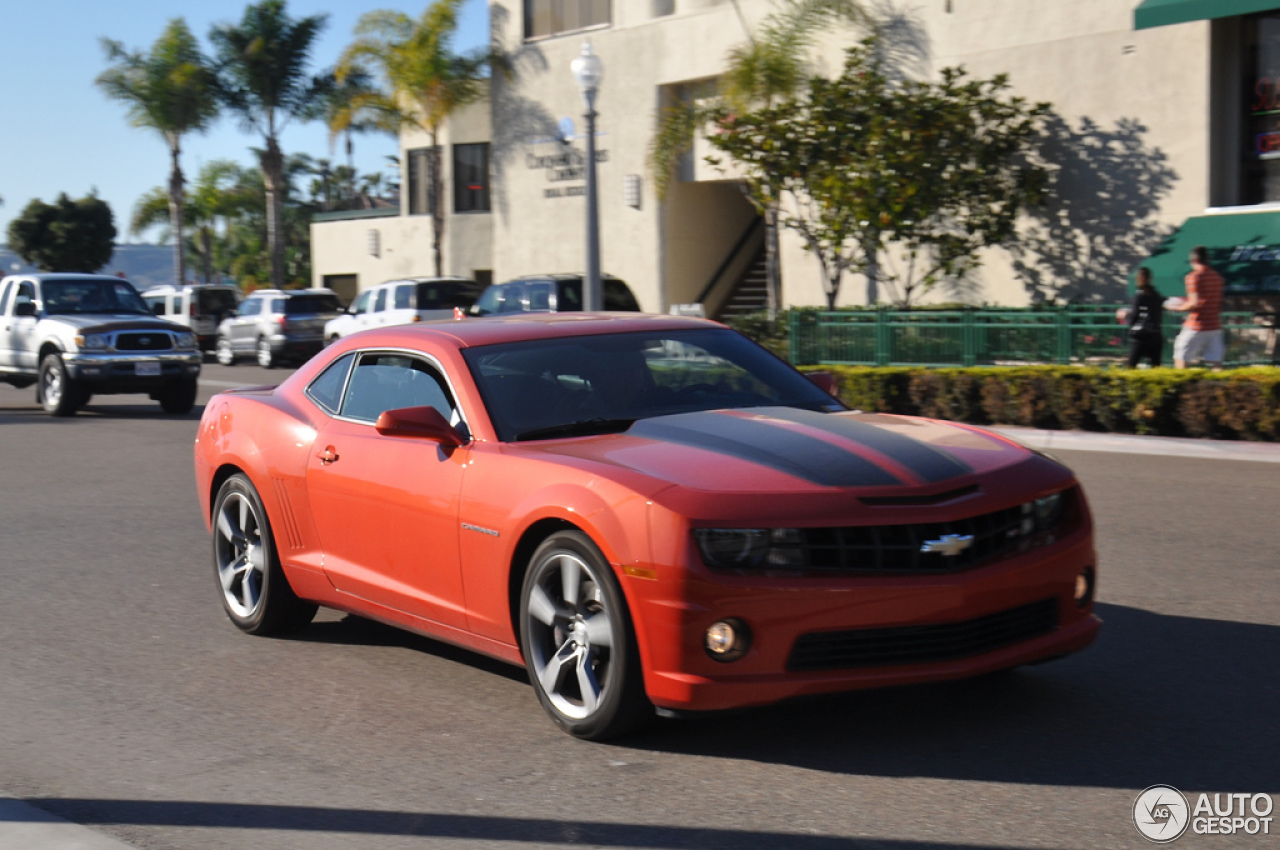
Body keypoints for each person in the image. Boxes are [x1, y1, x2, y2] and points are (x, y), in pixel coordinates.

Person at [1167, 245, 1224, 369]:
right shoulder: (1217, 277)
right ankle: (1221, 387)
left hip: (1196, 325)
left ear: (1194, 260)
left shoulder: (1193, 277)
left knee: (1181, 357)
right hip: (1214, 325)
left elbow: (1194, 303)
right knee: (1216, 362)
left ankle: (1181, 386)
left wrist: (1176, 308)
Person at [1125, 266, 1164, 367]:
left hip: (1140, 335)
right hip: (1155, 333)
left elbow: (1134, 315)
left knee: (1131, 366)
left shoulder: (1139, 296)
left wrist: (1127, 318)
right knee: (1156, 366)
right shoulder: (1156, 295)